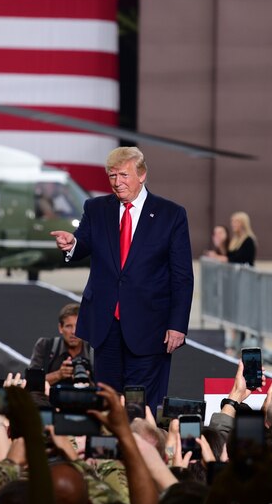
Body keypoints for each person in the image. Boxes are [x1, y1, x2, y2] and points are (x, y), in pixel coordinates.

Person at [50, 146, 194, 409]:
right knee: (108, 403)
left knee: (142, 405)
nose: (117, 183)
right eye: (112, 176)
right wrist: (71, 245)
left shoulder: (170, 214)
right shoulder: (96, 208)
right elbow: (83, 244)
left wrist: (178, 325)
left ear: (142, 175)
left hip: (151, 327)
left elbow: (182, 276)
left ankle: (141, 449)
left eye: (124, 175)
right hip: (106, 326)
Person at [28, 303, 94, 386]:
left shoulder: (94, 351)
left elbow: (106, 388)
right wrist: (59, 374)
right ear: (60, 328)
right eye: (68, 326)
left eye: (78, 326)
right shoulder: (46, 346)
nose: (74, 332)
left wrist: (87, 381)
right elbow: (31, 382)